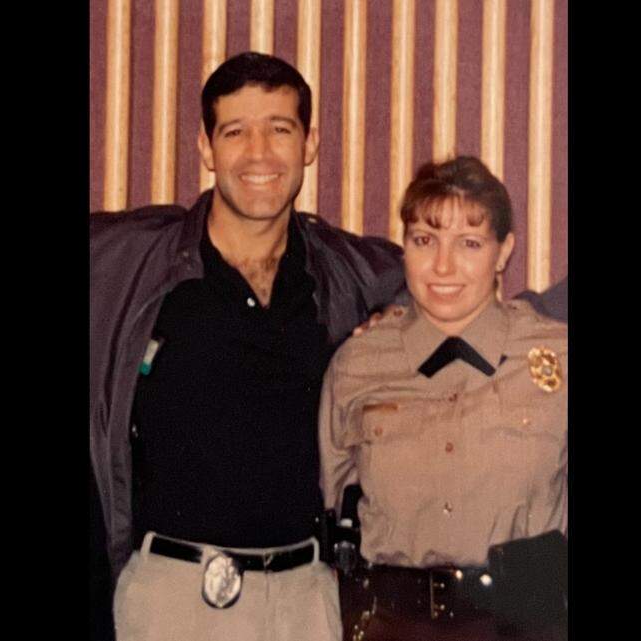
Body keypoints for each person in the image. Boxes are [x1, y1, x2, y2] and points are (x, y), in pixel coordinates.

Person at [89, 52, 406, 641]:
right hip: (168, 601)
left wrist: (396, 322)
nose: (259, 154)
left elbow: (443, 284)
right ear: (207, 148)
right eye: (236, 132)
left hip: (310, 601)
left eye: (279, 129)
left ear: (309, 143)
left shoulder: (342, 271)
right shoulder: (128, 257)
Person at [319, 156, 568, 640]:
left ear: (504, 252)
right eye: (424, 240)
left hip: (524, 622)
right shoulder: (358, 364)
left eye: (469, 244)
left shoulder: (557, 357)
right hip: (391, 624)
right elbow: (333, 502)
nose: (443, 266)